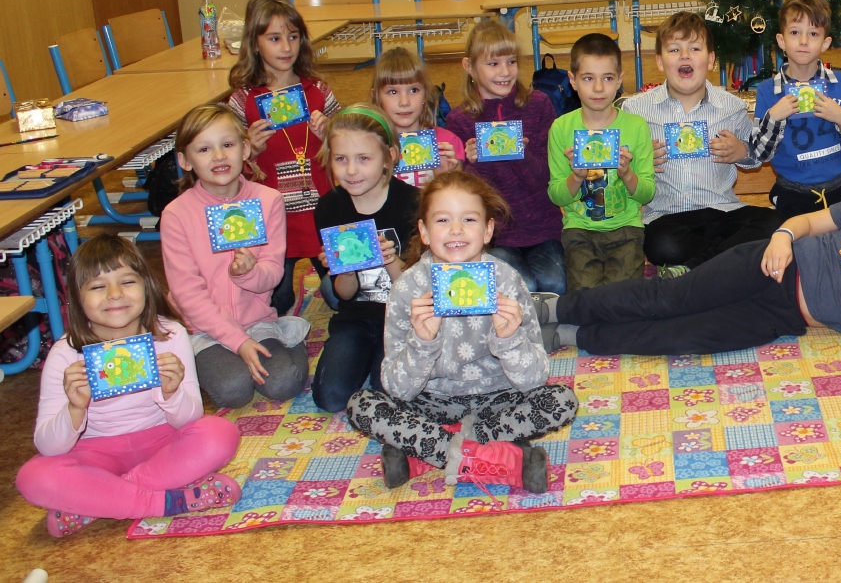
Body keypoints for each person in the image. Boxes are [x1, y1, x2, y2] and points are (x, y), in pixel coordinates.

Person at [542, 152, 841, 356]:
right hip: (771, 268)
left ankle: (571, 335)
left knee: (684, 336)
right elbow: (807, 223)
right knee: (671, 299)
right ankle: (557, 307)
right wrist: (782, 236)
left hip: (784, 318)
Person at [345, 171, 577, 492]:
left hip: (499, 401)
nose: (456, 229)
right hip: (430, 403)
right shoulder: (408, 288)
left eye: (469, 219)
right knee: (362, 405)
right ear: (424, 232)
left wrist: (509, 340)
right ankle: (490, 457)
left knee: (561, 401)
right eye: (442, 220)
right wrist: (422, 343)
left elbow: (534, 379)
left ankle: (429, 451)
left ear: (488, 230)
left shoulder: (506, 280)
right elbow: (398, 389)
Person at [15, 236, 242, 538]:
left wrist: (172, 393)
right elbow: (49, 447)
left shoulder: (170, 335)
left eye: (127, 282)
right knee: (33, 478)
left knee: (220, 433)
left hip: (162, 443)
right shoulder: (66, 353)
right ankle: (166, 501)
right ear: (77, 299)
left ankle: (99, 501)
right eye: (98, 287)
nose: (114, 294)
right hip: (96, 453)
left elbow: (189, 418)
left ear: (146, 286)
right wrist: (75, 408)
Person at [161, 105, 309, 408]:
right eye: (204, 149)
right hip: (206, 328)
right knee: (234, 390)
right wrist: (238, 342)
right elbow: (187, 293)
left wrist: (248, 273)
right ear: (185, 161)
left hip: (258, 321)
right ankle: (213, 356)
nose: (218, 156)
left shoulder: (268, 200)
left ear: (245, 149)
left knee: (284, 383)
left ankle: (289, 338)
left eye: (227, 145)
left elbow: (273, 273)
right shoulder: (176, 214)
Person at [621, 11, 783, 272]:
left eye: (695, 48)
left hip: (723, 211)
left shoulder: (731, 106)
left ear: (710, 60)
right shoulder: (636, 110)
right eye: (674, 49)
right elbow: (622, 166)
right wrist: (639, 162)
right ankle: (728, 263)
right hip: (667, 216)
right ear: (660, 61)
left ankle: (693, 269)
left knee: (775, 223)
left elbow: (756, 157)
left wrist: (741, 151)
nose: (685, 56)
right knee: (661, 244)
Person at [227, 0, 338, 314]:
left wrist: (331, 137)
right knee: (277, 300)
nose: (286, 47)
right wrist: (248, 150)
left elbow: (350, 149)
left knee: (339, 296)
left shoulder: (319, 91)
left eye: (293, 37)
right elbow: (225, 167)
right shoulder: (242, 100)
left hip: (320, 210)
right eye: (274, 38)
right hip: (274, 218)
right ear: (255, 44)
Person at [444, 20, 565, 294]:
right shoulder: (459, 119)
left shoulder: (539, 105)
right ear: (469, 67)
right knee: (523, 287)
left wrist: (521, 154)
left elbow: (545, 178)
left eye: (511, 62)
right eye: (493, 64)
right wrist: (472, 165)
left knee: (555, 284)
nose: (505, 72)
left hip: (541, 226)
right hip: (494, 233)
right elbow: (467, 196)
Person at [310, 107, 419, 412]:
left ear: (389, 157)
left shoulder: (414, 203)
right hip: (355, 318)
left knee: (390, 393)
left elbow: (418, 292)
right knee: (330, 398)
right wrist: (343, 271)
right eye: (341, 159)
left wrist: (390, 260)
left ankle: (379, 361)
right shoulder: (329, 207)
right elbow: (344, 294)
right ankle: (365, 355)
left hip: (403, 318)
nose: (351, 170)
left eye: (364, 158)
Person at [547, 33, 655, 292]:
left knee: (623, 297)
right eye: (588, 78)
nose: (598, 88)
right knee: (585, 298)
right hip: (579, 230)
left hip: (626, 229)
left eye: (607, 78)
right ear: (572, 80)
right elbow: (556, 196)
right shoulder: (561, 128)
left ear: (619, 80)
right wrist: (576, 176)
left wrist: (627, 174)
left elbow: (647, 193)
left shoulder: (636, 126)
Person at [751, 0, 841, 218]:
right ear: (781, 40)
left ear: (825, 43)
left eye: (813, 34)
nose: (804, 41)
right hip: (792, 192)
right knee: (791, 236)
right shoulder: (768, 90)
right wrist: (774, 118)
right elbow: (761, 155)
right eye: (795, 32)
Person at [371, 45, 462, 188]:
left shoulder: (446, 143)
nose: (404, 102)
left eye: (414, 90)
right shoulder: (370, 144)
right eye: (393, 92)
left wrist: (446, 176)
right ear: (377, 97)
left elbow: (458, 196)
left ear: (426, 94)